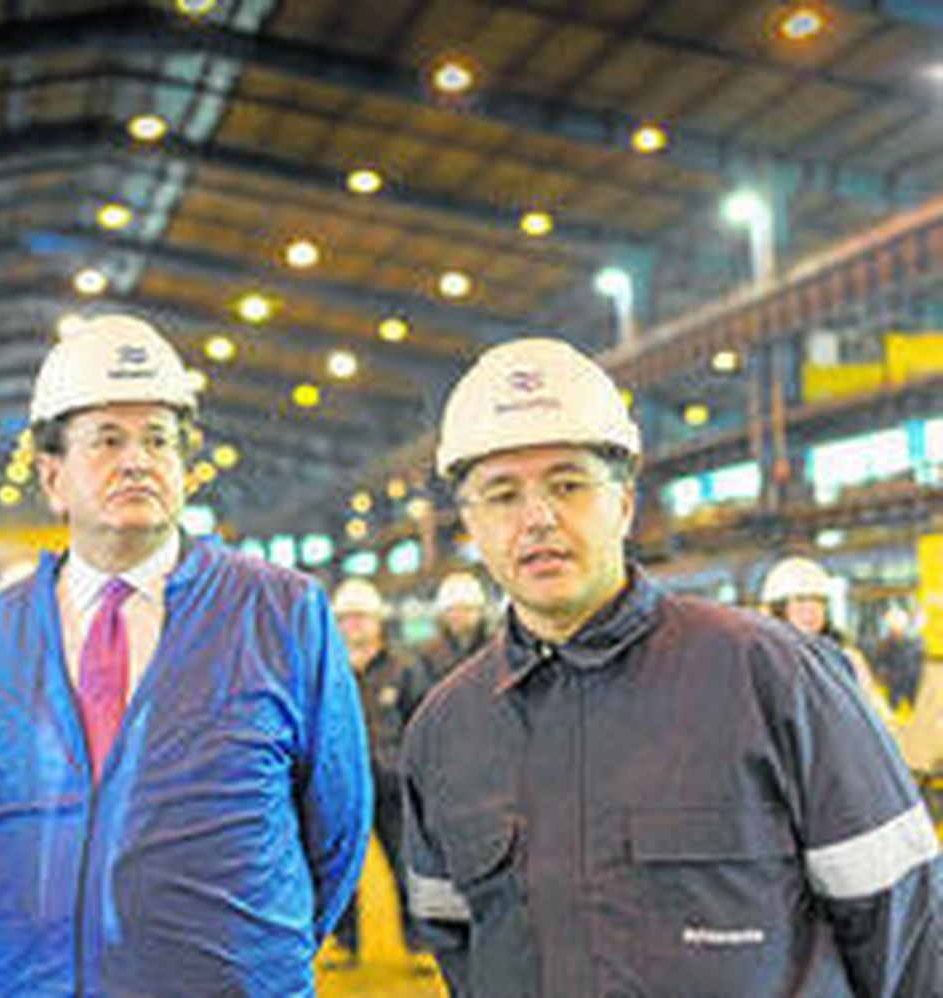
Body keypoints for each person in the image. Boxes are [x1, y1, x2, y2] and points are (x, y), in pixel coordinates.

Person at [400, 337, 941, 997]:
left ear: (624, 503)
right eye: (502, 494)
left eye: (568, 484)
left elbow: (907, 927)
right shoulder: (444, 732)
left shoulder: (774, 678)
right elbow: (458, 941)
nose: (537, 518)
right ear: (471, 525)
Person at [0, 313, 371, 996]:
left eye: (159, 441)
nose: (138, 460)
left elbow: (339, 830)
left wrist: (246, 952)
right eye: (108, 440)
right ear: (52, 477)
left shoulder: (282, 613)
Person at [326, 577, 415, 966]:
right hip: (340, 786)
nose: (353, 626)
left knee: (405, 865)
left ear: (378, 620)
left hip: (391, 784)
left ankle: (418, 944)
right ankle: (346, 944)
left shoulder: (403, 668)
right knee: (339, 871)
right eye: (345, 619)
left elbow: (420, 721)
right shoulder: (323, 668)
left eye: (361, 617)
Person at [761, 555, 892, 720]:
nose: (811, 609)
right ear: (777, 609)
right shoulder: (764, 662)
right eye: (800, 600)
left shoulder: (846, 659)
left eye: (818, 600)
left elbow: (880, 718)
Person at [408, 571, 492, 704]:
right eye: (452, 610)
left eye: (466, 609)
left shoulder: (495, 650)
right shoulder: (429, 657)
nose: (458, 615)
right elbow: (420, 702)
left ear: (479, 612)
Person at [871, 605, 925, 713]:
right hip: (894, 685)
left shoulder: (915, 644)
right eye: (891, 628)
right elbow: (879, 663)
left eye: (896, 627)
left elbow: (919, 666)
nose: (894, 630)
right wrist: (881, 674)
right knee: (891, 710)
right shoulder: (886, 645)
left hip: (912, 684)